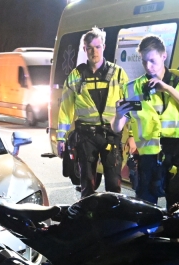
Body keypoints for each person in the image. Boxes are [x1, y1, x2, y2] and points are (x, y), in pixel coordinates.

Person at [112, 36, 179, 206]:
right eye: (144, 62)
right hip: (148, 158)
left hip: (177, 155)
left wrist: (167, 88)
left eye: (152, 61)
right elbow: (117, 127)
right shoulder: (133, 88)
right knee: (146, 211)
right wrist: (118, 116)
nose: (148, 66)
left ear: (163, 56)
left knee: (178, 211)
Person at [57, 27, 129, 197]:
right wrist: (61, 138)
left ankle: (112, 220)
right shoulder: (75, 76)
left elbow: (128, 107)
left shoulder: (118, 74)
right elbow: (66, 109)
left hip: (110, 134)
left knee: (113, 184)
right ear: (84, 50)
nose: (94, 51)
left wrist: (132, 135)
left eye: (97, 47)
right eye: (89, 48)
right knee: (87, 184)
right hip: (85, 136)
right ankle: (88, 218)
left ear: (104, 46)